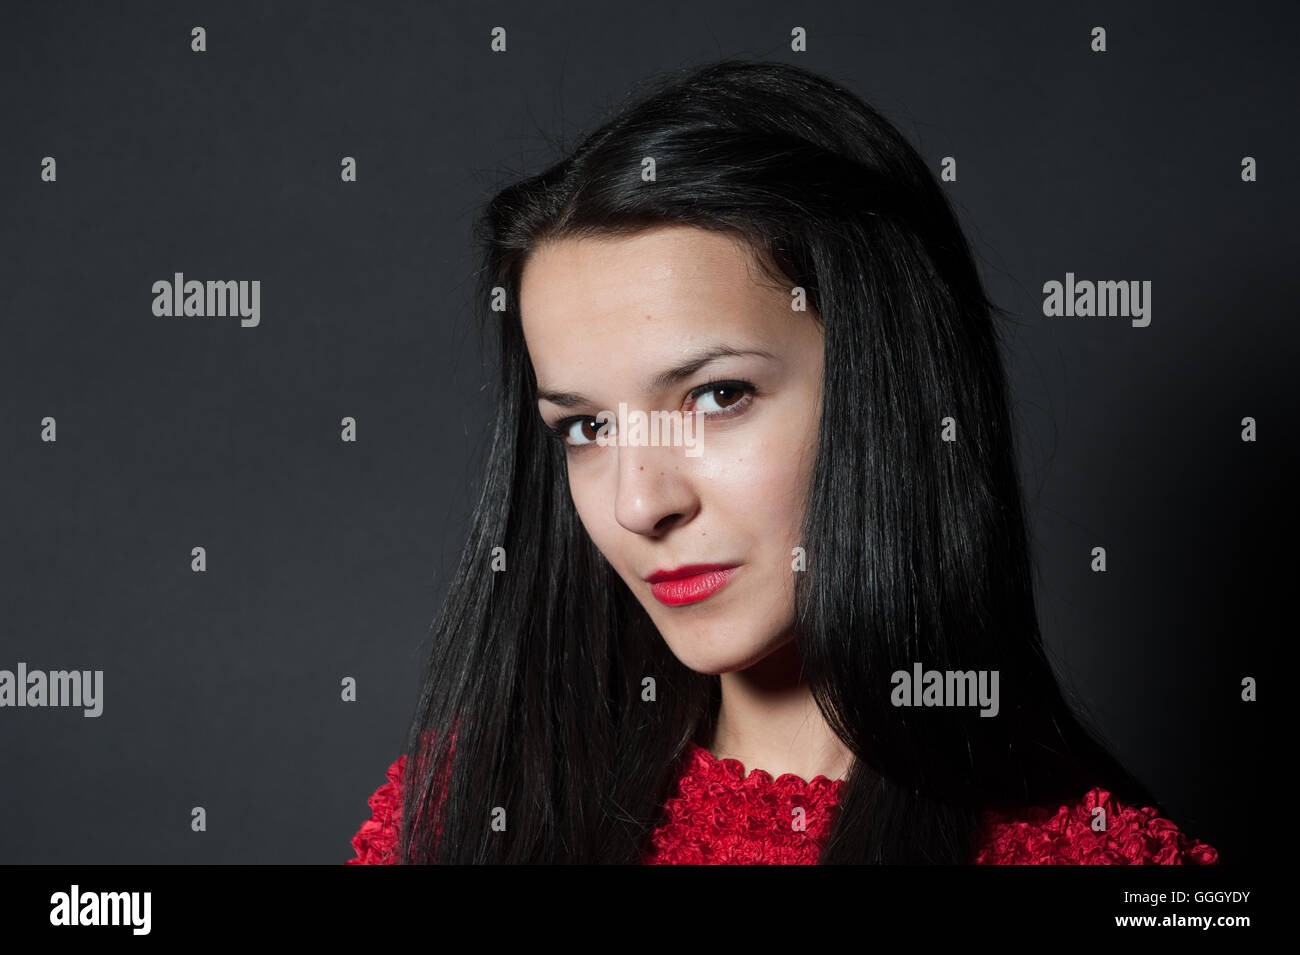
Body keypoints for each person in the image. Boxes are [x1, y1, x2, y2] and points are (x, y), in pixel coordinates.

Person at [346, 59, 1218, 864]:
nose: (638, 504)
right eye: (586, 428)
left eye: (716, 397)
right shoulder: (466, 806)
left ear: (888, 388)